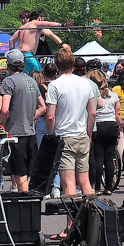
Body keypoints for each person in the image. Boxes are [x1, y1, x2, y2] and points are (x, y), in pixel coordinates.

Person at [45, 46, 96, 199]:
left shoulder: (55, 85)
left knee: (69, 185)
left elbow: (50, 116)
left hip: (64, 137)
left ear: (57, 65)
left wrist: (49, 135)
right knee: (85, 183)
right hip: (82, 135)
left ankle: (71, 223)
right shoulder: (86, 83)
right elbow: (92, 112)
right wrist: (89, 133)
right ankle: (92, 219)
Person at [0, 50, 46, 192]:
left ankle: (25, 198)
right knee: (28, 169)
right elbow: (43, 107)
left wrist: (5, 124)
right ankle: (27, 196)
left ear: (9, 65)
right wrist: (30, 117)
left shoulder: (8, 81)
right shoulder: (32, 81)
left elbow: (5, 109)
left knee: (19, 171)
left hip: (15, 133)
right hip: (30, 132)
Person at [87, 68, 120, 195]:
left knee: (98, 158)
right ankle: (109, 187)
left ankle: (97, 187)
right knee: (109, 158)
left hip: (99, 125)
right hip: (111, 125)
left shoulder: (93, 94)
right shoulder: (113, 95)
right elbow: (117, 113)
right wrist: (118, 129)